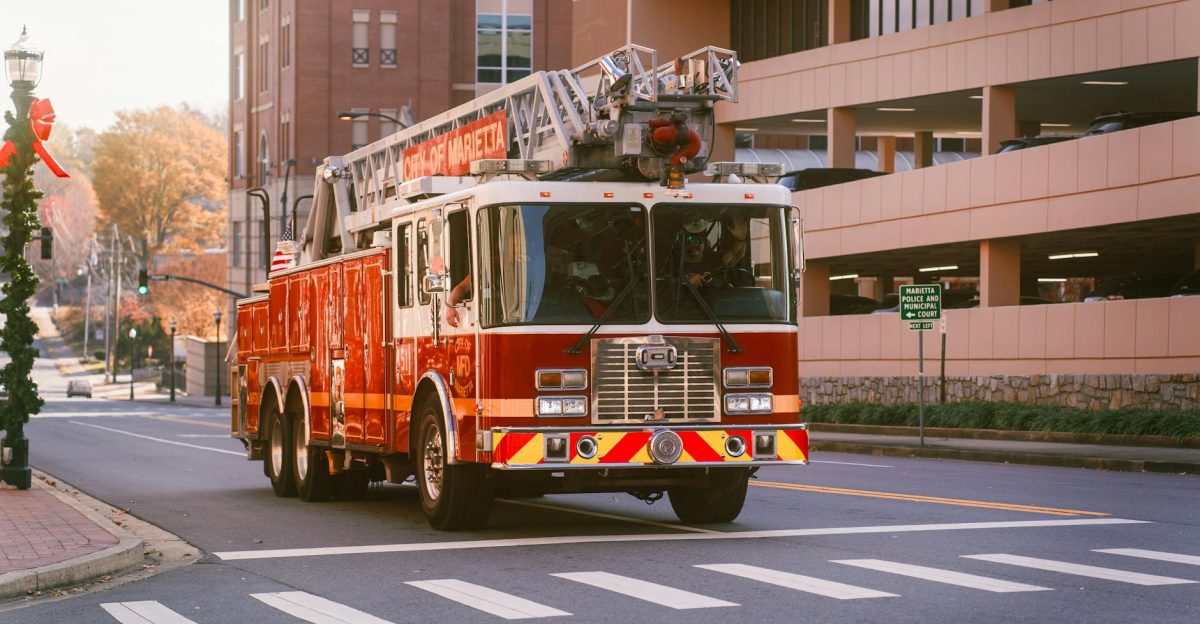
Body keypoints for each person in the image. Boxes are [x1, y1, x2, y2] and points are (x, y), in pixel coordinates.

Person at [676, 214, 749, 288]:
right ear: (681, 243)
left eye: (699, 240)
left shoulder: (715, 258)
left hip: (715, 299)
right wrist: (684, 280)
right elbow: (666, 282)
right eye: (689, 240)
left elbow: (736, 256)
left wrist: (740, 239)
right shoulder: (674, 262)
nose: (694, 244)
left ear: (705, 242)